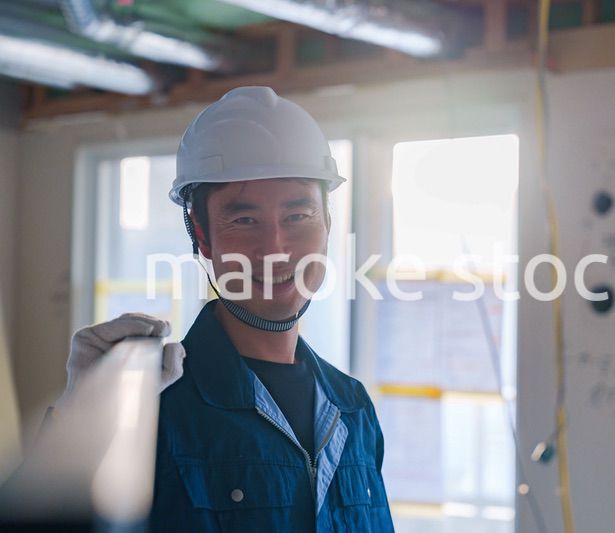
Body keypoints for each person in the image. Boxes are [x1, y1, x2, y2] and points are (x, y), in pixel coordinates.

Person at [55, 87, 394, 532]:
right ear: (203, 236)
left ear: (327, 224)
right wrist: (78, 426)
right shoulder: (153, 404)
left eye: (298, 216)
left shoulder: (352, 408)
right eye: (245, 220)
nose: (275, 248)